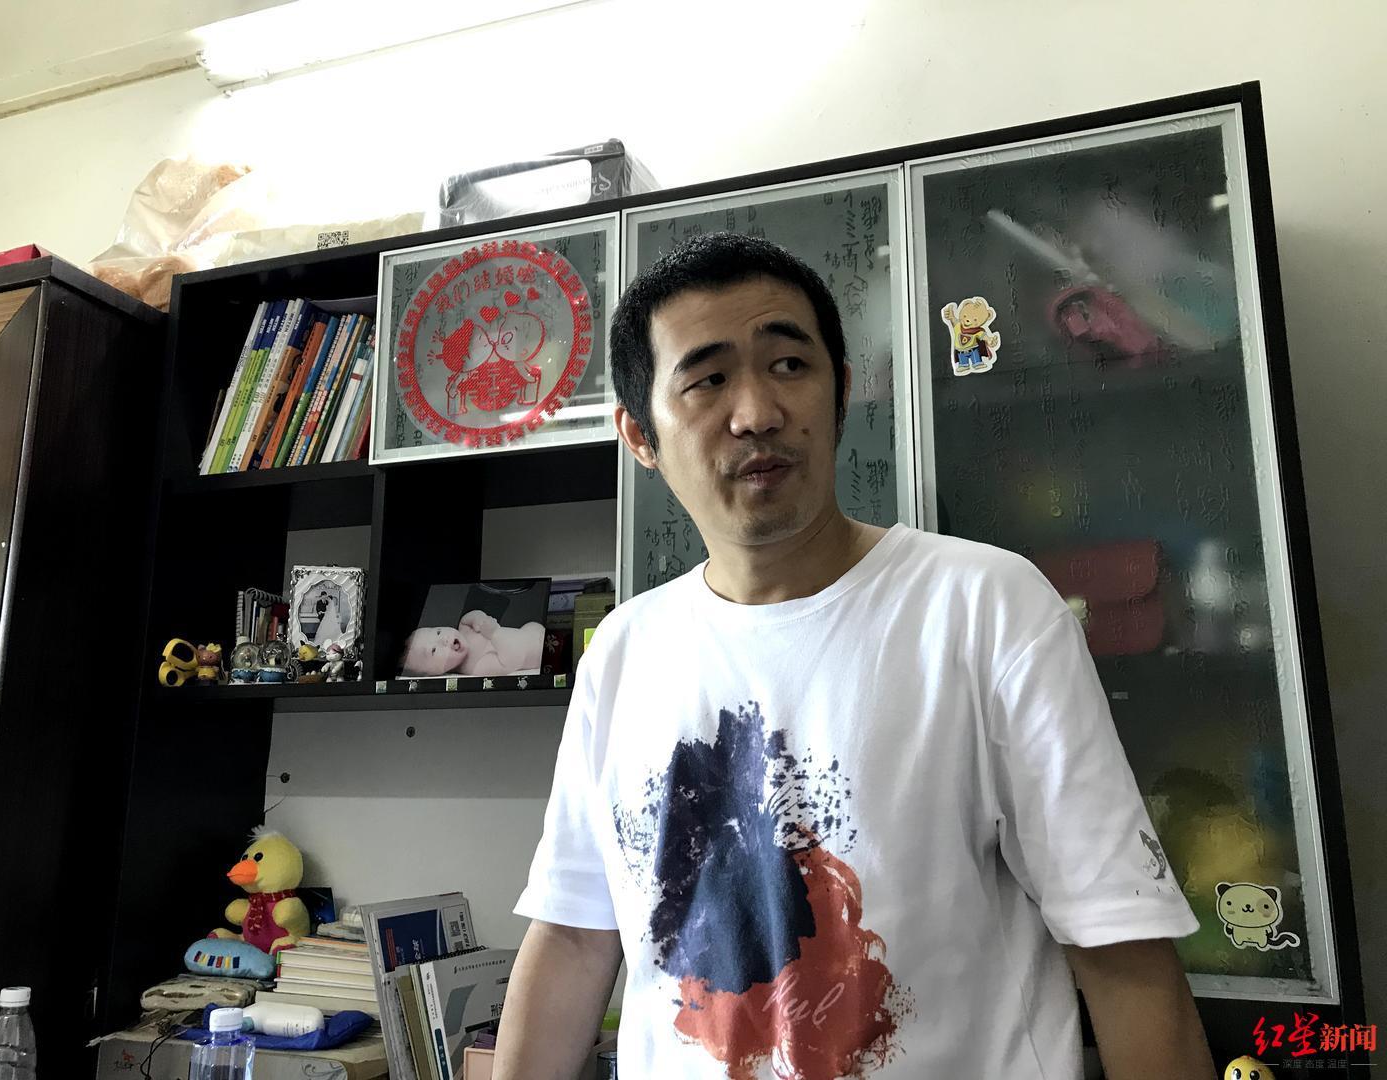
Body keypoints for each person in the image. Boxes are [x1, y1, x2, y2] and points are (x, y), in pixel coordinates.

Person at [496, 233, 1215, 1079]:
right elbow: (575, 940)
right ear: (639, 434)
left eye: (789, 365)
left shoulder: (985, 608)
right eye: (707, 380)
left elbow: (1121, 947)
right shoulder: (624, 650)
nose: (757, 412)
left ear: (840, 392)